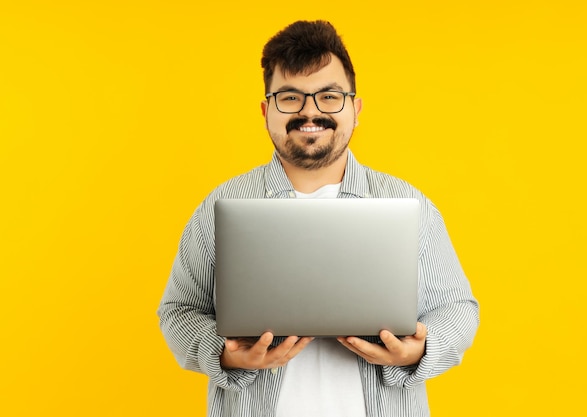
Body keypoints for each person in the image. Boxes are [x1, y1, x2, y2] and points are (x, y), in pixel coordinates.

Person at [158, 20, 479, 417]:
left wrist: (421, 350)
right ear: (266, 110)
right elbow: (179, 312)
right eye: (290, 97)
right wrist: (225, 356)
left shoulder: (408, 203)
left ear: (355, 109)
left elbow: (458, 308)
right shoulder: (219, 206)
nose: (310, 111)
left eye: (329, 96)